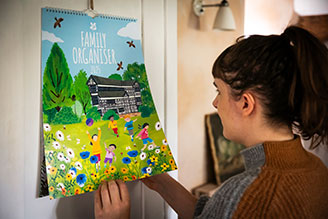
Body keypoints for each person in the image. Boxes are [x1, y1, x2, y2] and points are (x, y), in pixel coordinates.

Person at [94, 26, 328, 219]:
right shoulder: (316, 169)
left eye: (220, 91)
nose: (215, 103)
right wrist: (163, 183)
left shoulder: (247, 193)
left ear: (246, 103)